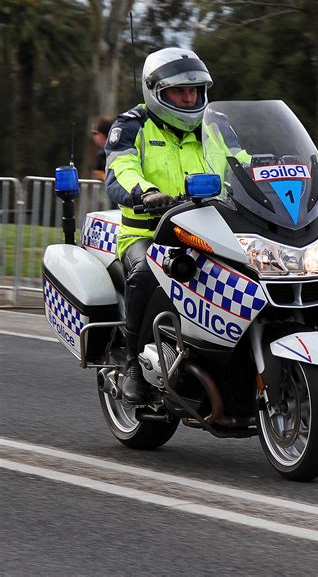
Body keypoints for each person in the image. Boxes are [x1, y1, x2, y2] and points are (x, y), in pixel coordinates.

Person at [105, 47, 213, 404]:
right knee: (147, 274)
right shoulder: (132, 125)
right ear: (155, 92)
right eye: (179, 91)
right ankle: (135, 364)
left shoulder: (213, 129)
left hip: (207, 232)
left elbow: (242, 161)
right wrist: (145, 191)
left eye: (193, 90)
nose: (188, 97)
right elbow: (120, 170)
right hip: (148, 234)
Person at [90, 116, 114, 181]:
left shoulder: (117, 153)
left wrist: (106, 178)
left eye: (95, 133)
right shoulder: (102, 154)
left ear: (104, 134)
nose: (93, 137)